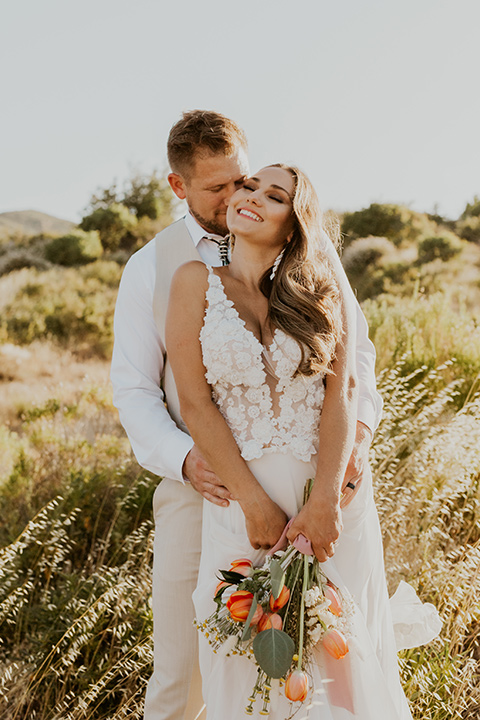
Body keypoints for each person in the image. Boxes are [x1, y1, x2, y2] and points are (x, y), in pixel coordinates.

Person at [110, 111, 383, 720]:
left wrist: (356, 440)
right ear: (179, 187)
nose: (239, 195)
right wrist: (188, 460)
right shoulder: (155, 269)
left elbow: (354, 355)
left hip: (321, 480)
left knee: (335, 662)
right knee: (187, 670)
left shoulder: (306, 251)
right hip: (203, 488)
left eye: (245, 179)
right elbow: (133, 391)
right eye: (219, 187)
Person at [165, 164, 438, 719]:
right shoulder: (193, 281)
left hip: (325, 498)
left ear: (294, 224)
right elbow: (194, 403)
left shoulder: (318, 291)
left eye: (275, 196)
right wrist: (253, 502)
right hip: (243, 506)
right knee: (246, 663)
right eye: (248, 186)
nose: (252, 197)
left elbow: (341, 397)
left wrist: (327, 503)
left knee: (343, 664)